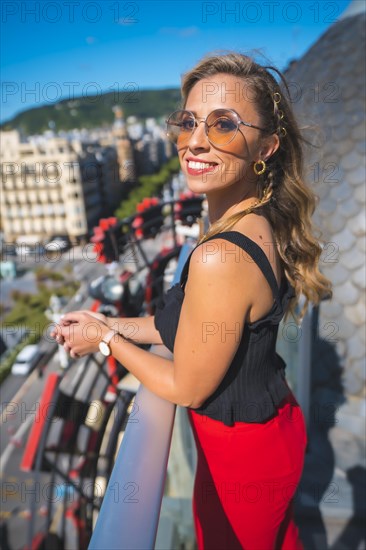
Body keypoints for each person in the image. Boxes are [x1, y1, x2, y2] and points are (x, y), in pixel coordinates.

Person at [52, 52, 332, 549]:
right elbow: (187, 327)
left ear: (266, 145)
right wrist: (105, 321)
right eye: (188, 122)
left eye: (223, 125)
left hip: (243, 458)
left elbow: (186, 386)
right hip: (268, 432)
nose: (196, 141)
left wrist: (107, 341)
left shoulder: (219, 255)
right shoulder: (249, 219)